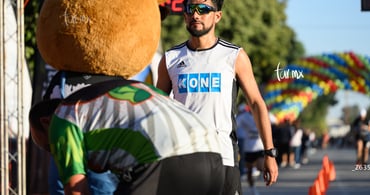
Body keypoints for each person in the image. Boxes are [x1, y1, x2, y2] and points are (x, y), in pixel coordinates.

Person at [156, 0, 278, 194]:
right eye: (191, 9)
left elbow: (257, 104)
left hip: (223, 156)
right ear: (184, 17)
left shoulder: (234, 56)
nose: (196, 14)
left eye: (203, 9)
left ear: (217, 16)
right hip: (183, 157)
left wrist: (269, 153)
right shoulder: (170, 59)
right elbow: (157, 108)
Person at [29, 79, 225, 195]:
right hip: (213, 153)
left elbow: (76, 190)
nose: (57, 154)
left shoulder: (62, 116)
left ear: (46, 122)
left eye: (51, 148)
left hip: (164, 156)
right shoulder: (127, 87)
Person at [236, 105, 265, 195]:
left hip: (259, 147)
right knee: (249, 171)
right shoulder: (243, 117)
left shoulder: (261, 114)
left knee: (260, 167)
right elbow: (235, 124)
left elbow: (274, 120)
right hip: (249, 148)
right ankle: (253, 189)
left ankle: (256, 171)